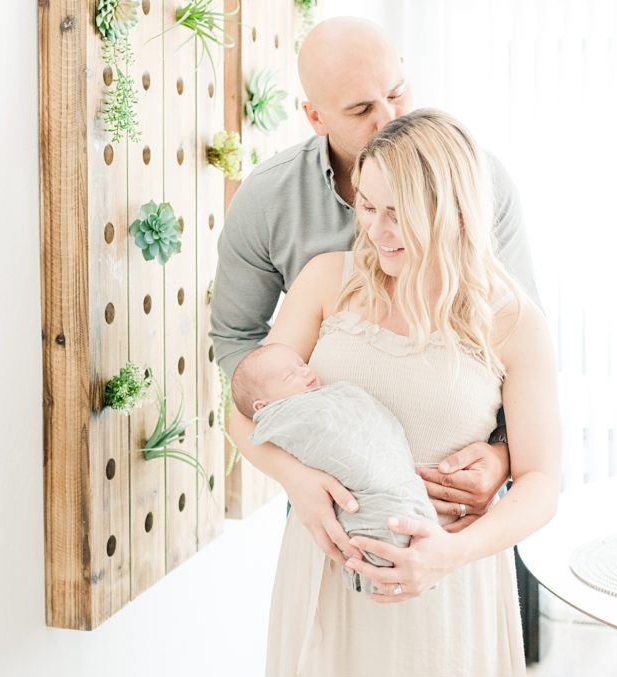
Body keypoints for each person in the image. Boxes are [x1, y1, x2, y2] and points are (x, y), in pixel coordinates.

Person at [231, 109, 562, 677]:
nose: (375, 231)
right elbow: (243, 417)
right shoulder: (326, 281)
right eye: (367, 206)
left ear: (453, 210)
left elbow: (542, 484)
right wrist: (299, 483)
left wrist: (446, 556)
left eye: (397, 214)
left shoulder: (513, 321)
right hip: (327, 573)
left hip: (448, 587)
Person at [210, 17, 542, 566]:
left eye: (395, 93)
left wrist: (503, 457)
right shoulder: (271, 204)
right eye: (362, 110)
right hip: (331, 490)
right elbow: (237, 338)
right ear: (315, 117)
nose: (391, 119)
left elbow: (517, 337)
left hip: (456, 503)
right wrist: (300, 465)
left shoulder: (479, 183)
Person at [231, 342, 438, 595]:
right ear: (263, 407)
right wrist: (293, 475)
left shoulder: (333, 397)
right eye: (290, 376)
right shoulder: (290, 414)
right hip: (355, 517)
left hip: (426, 519)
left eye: (303, 364)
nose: (306, 373)